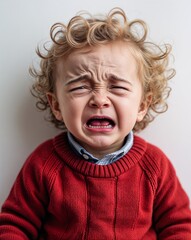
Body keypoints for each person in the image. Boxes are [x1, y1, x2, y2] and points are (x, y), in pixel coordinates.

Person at [0, 7, 191, 240]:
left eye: (117, 87)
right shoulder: (43, 165)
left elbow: (180, 228)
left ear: (142, 106)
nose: (99, 100)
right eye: (80, 87)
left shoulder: (155, 166)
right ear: (57, 105)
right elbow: (14, 226)